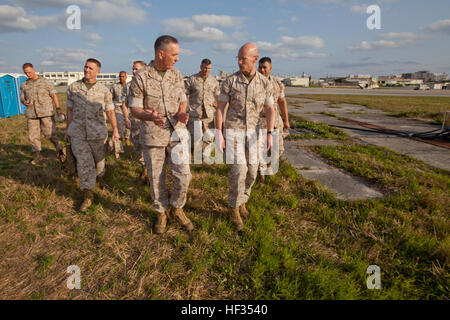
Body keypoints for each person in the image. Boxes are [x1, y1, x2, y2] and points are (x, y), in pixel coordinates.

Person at [129, 35, 193, 234]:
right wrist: (149, 116)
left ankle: (177, 208)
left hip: (177, 131)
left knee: (184, 175)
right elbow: (134, 109)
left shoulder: (176, 74)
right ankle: (161, 212)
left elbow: (183, 98)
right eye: (174, 55)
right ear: (161, 53)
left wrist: (182, 111)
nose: (177, 59)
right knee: (156, 177)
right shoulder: (141, 77)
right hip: (153, 133)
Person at [215, 43, 275, 231]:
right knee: (239, 170)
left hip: (255, 133)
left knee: (252, 171)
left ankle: (243, 200)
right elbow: (220, 109)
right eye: (238, 58)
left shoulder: (264, 83)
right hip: (234, 131)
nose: (240, 62)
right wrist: (219, 133)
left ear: (255, 59)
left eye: (244, 59)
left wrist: (270, 134)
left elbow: (270, 109)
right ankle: (233, 207)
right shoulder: (230, 82)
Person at [65, 58, 120, 212]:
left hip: (97, 133)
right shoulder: (73, 88)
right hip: (78, 133)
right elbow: (69, 110)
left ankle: (100, 177)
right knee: (84, 163)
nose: (87, 70)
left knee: (99, 162)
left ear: (98, 71)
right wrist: (68, 130)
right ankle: (88, 195)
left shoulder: (104, 90)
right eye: (85, 67)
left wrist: (115, 129)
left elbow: (110, 111)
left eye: (90, 68)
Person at [20, 62, 63, 165]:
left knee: (49, 134)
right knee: (32, 136)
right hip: (32, 114)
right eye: (26, 73)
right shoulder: (24, 85)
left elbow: (53, 95)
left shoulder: (44, 82)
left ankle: (59, 149)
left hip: (46, 112)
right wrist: (23, 101)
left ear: (34, 69)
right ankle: (37, 156)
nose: (28, 74)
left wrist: (58, 108)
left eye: (29, 72)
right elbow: (22, 97)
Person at [257, 57, 290, 178]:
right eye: (260, 67)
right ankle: (262, 177)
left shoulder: (277, 84)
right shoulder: (253, 83)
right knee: (260, 152)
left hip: (276, 123)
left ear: (270, 68)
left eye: (264, 67)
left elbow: (282, 101)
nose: (261, 70)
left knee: (278, 150)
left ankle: (269, 170)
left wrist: (286, 119)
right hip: (259, 123)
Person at [185, 58, 220, 162]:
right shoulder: (192, 79)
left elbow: (218, 95)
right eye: (205, 67)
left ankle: (205, 156)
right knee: (197, 137)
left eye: (209, 68)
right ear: (201, 66)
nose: (206, 70)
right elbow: (185, 94)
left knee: (209, 136)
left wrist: (217, 105)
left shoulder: (213, 80)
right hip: (195, 113)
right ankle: (197, 157)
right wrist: (187, 107)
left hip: (209, 114)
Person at [121, 60, 147, 182]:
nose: (133, 71)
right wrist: (126, 118)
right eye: (133, 69)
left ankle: (150, 171)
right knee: (138, 147)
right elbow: (125, 104)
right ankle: (144, 167)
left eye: (136, 69)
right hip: (135, 121)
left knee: (150, 146)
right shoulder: (128, 86)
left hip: (150, 121)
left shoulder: (150, 84)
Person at [110, 71, 131, 156]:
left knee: (128, 125)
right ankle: (120, 140)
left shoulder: (130, 86)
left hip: (128, 108)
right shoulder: (114, 86)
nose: (121, 78)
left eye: (123, 76)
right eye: (120, 76)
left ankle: (127, 139)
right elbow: (110, 97)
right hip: (118, 108)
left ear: (126, 77)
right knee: (119, 125)